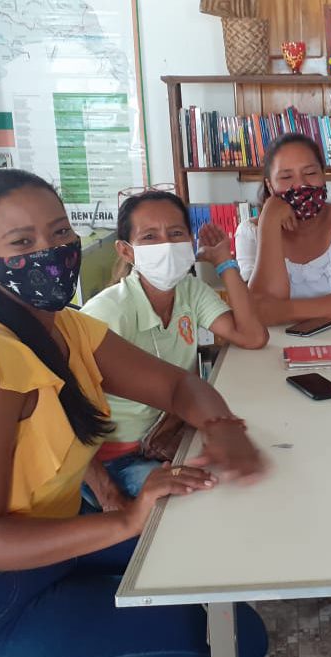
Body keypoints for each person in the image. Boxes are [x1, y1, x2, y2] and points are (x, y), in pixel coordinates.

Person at [0, 169, 268, 657]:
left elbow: (178, 386)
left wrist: (224, 428)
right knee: (224, 644)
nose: (50, 251)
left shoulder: (69, 328)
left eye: (61, 232)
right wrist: (126, 518)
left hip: (45, 555)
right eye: (23, 241)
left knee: (215, 585)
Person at [80, 190, 268, 511]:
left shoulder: (189, 290)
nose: (166, 245)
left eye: (176, 233)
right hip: (118, 460)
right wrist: (109, 496)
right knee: (209, 504)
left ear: (190, 242)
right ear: (126, 251)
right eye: (150, 236)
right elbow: (64, 415)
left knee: (243, 482)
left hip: (168, 436)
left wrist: (224, 261)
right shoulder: (107, 313)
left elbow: (252, 336)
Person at [234, 133, 331, 325]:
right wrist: (269, 222)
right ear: (270, 186)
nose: (300, 184)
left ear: (323, 175)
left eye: (311, 173)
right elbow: (259, 308)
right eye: (286, 176)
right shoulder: (250, 232)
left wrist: (282, 311)